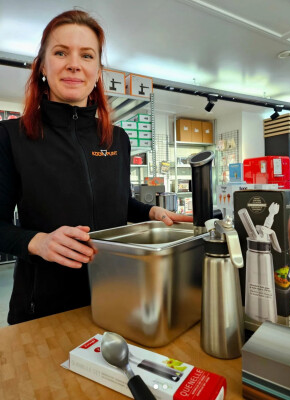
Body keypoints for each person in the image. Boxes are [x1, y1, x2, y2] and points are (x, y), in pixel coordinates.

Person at [0, 10, 192, 325]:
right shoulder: (11, 137)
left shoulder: (117, 138)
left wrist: (151, 212)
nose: (74, 63)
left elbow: (117, 201)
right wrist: (39, 242)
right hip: (44, 308)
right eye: (61, 52)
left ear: (97, 70)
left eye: (86, 55)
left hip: (118, 294)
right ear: (43, 66)